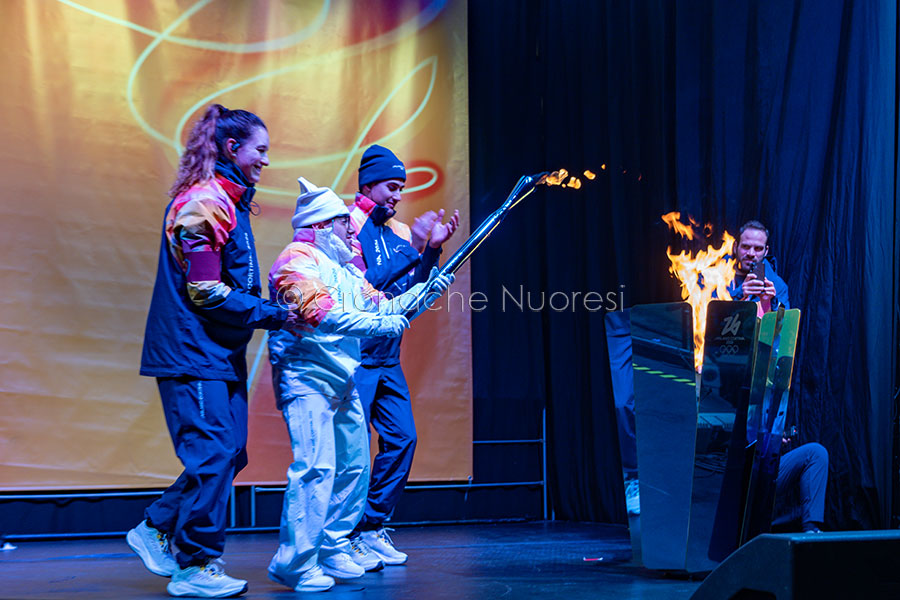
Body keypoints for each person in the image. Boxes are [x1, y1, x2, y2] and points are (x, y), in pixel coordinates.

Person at [129, 104, 299, 598]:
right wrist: (275, 313)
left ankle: (155, 525)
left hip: (218, 352)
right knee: (214, 454)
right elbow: (206, 292)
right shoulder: (204, 203)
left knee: (230, 453)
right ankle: (194, 567)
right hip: (191, 351)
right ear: (231, 148)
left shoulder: (230, 200)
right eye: (259, 150)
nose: (265, 161)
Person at [266, 178, 453, 592]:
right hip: (306, 376)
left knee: (354, 465)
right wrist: (382, 323)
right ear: (319, 225)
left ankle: (333, 545)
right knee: (315, 467)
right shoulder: (295, 260)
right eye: (343, 224)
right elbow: (324, 316)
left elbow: (384, 306)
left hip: (342, 375)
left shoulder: (345, 269)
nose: (353, 230)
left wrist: (424, 291)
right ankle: (294, 562)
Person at [346, 145, 459, 566]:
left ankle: (371, 528)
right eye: (392, 187)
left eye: (401, 188)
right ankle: (342, 536)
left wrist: (430, 252)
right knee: (352, 450)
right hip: (355, 356)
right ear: (368, 183)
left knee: (402, 438)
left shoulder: (397, 231)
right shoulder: (348, 225)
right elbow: (360, 288)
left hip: (387, 357)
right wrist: (413, 247)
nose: (397, 196)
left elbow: (410, 293)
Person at [729, 220, 826, 533]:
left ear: (767, 251)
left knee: (815, 455)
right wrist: (740, 299)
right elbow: (713, 337)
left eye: (759, 248)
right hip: (725, 393)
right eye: (747, 246)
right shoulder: (715, 277)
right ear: (736, 247)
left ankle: (811, 535)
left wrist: (773, 304)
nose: (752, 254)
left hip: (763, 391)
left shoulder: (777, 284)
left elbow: (782, 346)